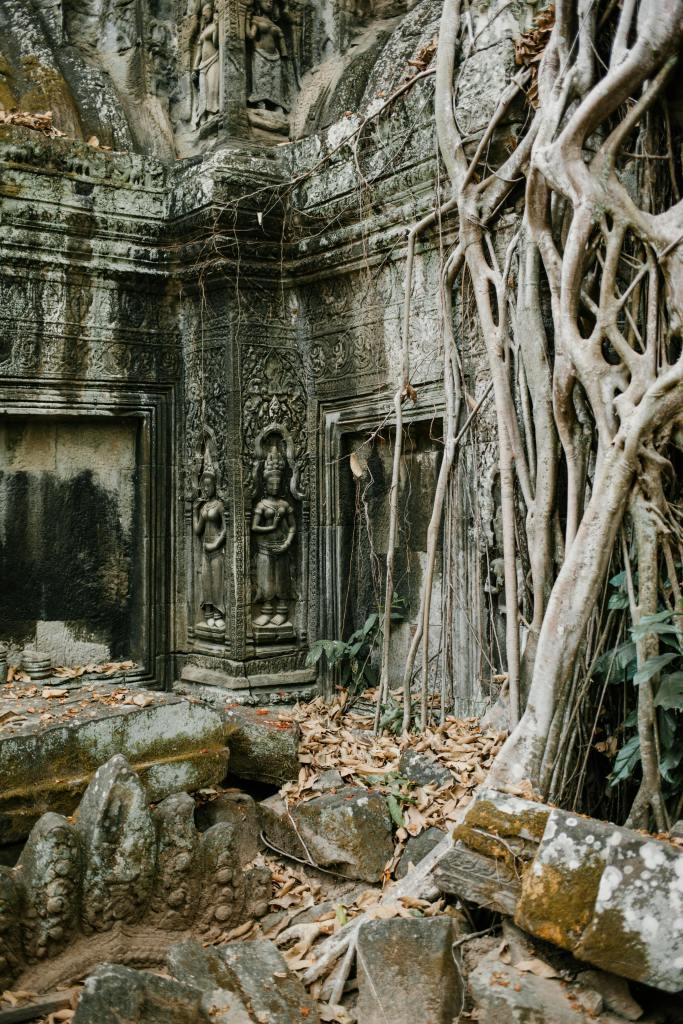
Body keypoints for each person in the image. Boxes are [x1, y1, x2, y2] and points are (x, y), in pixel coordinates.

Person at [251, 447, 295, 627]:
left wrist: (286, 543)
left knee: (282, 582)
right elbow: (254, 527)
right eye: (271, 484)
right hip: (264, 549)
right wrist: (273, 526)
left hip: (281, 549)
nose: (275, 487)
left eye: (278, 483)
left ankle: (283, 610)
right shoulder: (261, 505)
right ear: (265, 484)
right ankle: (267, 610)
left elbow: (293, 526)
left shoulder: (285, 504)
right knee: (265, 583)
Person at [193, 468, 226, 628]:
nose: (206, 489)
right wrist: (194, 511)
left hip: (217, 549)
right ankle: (208, 611)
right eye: (204, 486)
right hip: (205, 550)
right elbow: (198, 530)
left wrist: (216, 544)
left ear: (215, 485)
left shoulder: (219, 505)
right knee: (206, 581)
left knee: (217, 582)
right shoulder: (203, 507)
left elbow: (226, 529)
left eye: (208, 485)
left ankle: (218, 612)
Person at [246, 0, 289, 115]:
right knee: (261, 79)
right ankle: (260, 102)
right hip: (260, 53)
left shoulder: (275, 24)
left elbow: (282, 43)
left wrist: (284, 54)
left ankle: (276, 104)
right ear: (259, 3)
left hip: (276, 56)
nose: (269, 3)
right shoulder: (256, 19)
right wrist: (246, 20)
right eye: (266, 1)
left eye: (271, 1)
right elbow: (250, 36)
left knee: (275, 82)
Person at [192, 2, 220, 127]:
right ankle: (202, 117)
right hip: (203, 65)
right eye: (203, 12)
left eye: (207, 10)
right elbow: (198, 52)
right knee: (203, 91)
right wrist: (194, 68)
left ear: (212, 11)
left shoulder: (214, 26)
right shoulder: (203, 32)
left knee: (213, 88)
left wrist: (218, 25)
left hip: (214, 60)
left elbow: (216, 42)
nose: (204, 14)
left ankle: (211, 113)